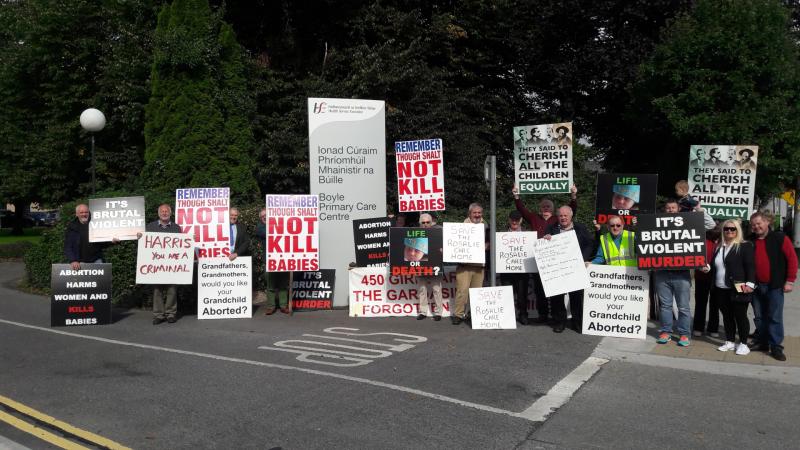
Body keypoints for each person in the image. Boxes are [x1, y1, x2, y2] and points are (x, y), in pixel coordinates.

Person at [513, 184, 578, 324]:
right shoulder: (534, 218)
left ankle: (555, 316)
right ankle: (542, 314)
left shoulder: (557, 218)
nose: (546, 208)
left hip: (554, 259)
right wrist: (516, 196)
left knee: (554, 289)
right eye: (544, 206)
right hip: (538, 259)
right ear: (540, 208)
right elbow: (522, 210)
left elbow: (571, 210)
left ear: (553, 209)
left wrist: (573, 196)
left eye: (548, 206)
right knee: (539, 289)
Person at [654, 199, 715, 347]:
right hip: (661, 273)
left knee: (683, 307)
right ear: (664, 210)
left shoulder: (688, 222)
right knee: (665, 306)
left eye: (673, 207)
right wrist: (637, 224)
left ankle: (684, 334)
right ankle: (666, 332)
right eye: (668, 208)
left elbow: (710, 225)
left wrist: (700, 210)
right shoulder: (656, 223)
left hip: (681, 273)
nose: (670, 210)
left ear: (679, 209)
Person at [748, 211, 797, 361]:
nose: (756, 227)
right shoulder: (749, 240)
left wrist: (790, 281)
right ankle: (763, 342)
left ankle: (776, 346)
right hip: (755, 286)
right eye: (753, 225)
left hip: (774, 285)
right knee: (759, 317)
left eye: (759, 223)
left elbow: (792, 259)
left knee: (774, 317)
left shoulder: (780, 238)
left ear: (767, 222)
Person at [706, 220, 755, 355]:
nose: (729, 231)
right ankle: (730, 341)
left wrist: (750, 283)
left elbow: (750, 266)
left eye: (733, 229)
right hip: (720, 288)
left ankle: (744, 343)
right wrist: (707, 268)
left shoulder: (744, 246)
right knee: (727, 316)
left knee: (740, 316)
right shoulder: (719, 246)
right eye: (726, 229)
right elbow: (715, 265)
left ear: (738, 230)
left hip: (739, 287)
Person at [543, 205, 594, 333]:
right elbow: (544, 246)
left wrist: (583, 258)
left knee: (576, 296)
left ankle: (577, 323)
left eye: (565, 215)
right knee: (557, 297)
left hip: (575, 267)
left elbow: (589, 244)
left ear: (571, 216)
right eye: (560, 215)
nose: (563, 218)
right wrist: (546, 239)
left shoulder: (580, 228)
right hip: (557, 268)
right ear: (557, 217)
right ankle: (560, 322)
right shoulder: (551, 228)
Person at [140, 204, 183, 325]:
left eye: (166, 211)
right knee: (157, 290)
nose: (164, 213)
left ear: (170, 213)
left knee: (172, 289)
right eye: (162, 211)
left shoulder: (176, 228)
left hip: (172, 264)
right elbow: (145, 244)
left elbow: (181, 245)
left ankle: (171, 314)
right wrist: (140, 237)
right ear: (159, 214)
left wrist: (190, 240)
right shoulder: (150, 227)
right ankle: (158, 315)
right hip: (156, 264)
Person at [452, 203, 488, 325]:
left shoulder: (486, 226)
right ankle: (458, 314)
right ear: (470, 213)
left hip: (479, 266)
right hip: (464, 266)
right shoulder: (461, 227)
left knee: (477, 293)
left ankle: (474, 315)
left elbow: (490, 242)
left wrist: (487, 245)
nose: (477, 215)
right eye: (475, 212)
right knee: (462, 291)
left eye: (479, 213)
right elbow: (453, 243)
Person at [499, 210, 531, 324]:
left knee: (522, 294)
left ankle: (523, 314)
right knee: (507, 294)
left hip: (523, 271)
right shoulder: (501, 234)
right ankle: (508, 316)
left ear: (521, 220)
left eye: (517, 220)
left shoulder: (528, 234)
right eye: (512, 219)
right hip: (506, 270)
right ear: (509, 219)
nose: (514, 222)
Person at [257, 208, 290, 315]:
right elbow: (268, 233)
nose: (264, 217)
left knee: (283, 283)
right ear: (260, 218)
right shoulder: (260, 227)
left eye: (266, 215)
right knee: (270, 284)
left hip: (282, 258)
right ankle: (271, 306)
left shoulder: (279, 224)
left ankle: (283, 306)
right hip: (269, 259)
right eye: (262, 216)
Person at [693, 228, 720, 337]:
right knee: (700, 303)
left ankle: (713, 328)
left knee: (715, 304)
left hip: (717, 278)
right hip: (701, 276)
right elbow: (693, 255)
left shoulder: (722, 241)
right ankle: (698, 327)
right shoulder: (701, 239)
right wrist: (699, 266)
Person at [64, 203, 109, 270]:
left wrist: (112, 241)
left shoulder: (96, 224)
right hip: (80, 262)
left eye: (86, 212)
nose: (84, 214)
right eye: (81, 212)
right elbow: (68, 246)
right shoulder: (72, 227)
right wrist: (73, 260)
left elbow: (103, 243)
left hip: (97, 260)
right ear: (77, 214)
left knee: (102, 277)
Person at [416, 213, 444, 321]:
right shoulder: (415, 234)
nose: (425, 224)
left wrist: (443, 250)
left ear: (431, 222)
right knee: (422, 289)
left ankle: (438, 312)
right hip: (421, 264)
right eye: (423, 222)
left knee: (436, 289)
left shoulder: (439, 233)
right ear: (420, 223)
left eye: (428, 222)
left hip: (435, 264)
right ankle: (423, 312)